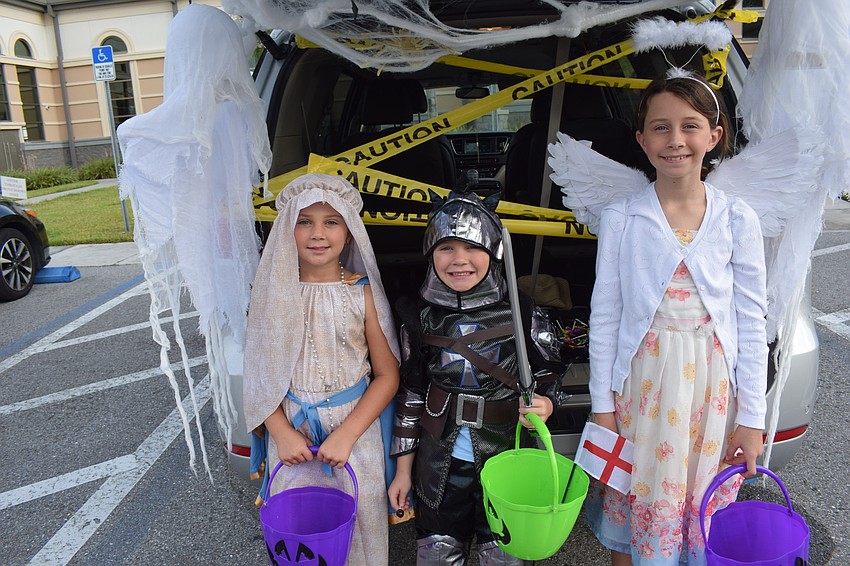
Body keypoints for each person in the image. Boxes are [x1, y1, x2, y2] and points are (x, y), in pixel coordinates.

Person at [584, 73, 768, 566]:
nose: (676, 140)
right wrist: (602, 406)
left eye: (690, 126)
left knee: (698, 506)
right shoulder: (623, 217)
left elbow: (752, 321)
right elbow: (605, 316)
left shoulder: (736, 218)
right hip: (642, 387)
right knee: (635, 498)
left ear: (715, 134)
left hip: (711, 391)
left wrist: (752, 418)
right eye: (660, 128)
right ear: (642, 140)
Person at [387, 182, 564, 565]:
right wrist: (403, 471)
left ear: (494, 251)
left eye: (472, 248)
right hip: (438, 463)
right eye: (446, 248)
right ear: (430, 252)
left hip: (506, 454)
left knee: (501, 552)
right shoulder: (416, 317)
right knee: (437, 551)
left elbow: (549, 373)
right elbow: (411, 394)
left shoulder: (523, 311)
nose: (459, 260)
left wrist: (547, 403)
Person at [242, 173, 401, 566]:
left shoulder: (361, 292)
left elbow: (387, 375)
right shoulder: (273, 295)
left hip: (355, 439)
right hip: (293, 437)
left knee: (358, 532)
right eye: (304, 221)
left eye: (331, 222)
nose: (318, 233)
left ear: (349, 233)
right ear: (286, 229)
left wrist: (346, 435)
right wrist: (280, 433)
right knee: (301, 539)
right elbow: (258, 376)